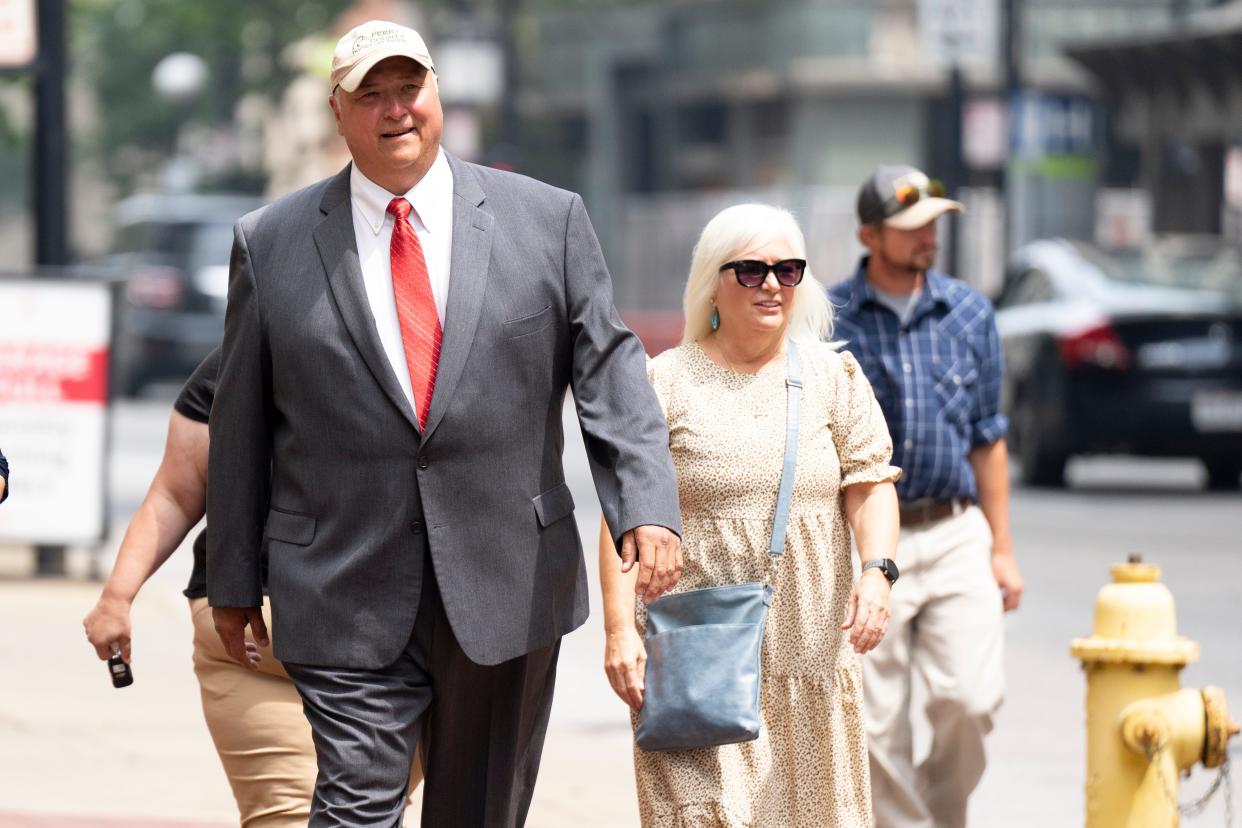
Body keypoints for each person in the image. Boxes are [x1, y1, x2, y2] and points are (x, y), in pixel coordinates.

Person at [206, 19, 683, 827]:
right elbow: (242, 420)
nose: (396, 110)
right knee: (355, 807)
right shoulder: (272, 242)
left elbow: (609, 371)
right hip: (340, 587)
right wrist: (231, 576)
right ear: (338, 112)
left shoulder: (549, 220)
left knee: (479, 813)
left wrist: (645, 505)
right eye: (372, 96)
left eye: (409, 88)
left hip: (509, 583)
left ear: (437, 95)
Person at [599, 203, 902, 826]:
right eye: (752, 270)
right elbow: (620, 515)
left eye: (788, 271)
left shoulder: (832, 376)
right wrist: (618, 631)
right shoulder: (663, 382)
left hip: (810, 654)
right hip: (696, 655)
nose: (771, 284)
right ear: (713, 280)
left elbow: (870, 484)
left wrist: (878, 572)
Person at [82, 349, 422, 827]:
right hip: (264, 635)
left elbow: (174, 494)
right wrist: (116, 597)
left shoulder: (241, 354)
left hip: (374, 638)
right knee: (346, 811)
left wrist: (117, 597)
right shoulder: (237, 361)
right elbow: (175, 493)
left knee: (340, 812)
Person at [829, 165, 1025, 828]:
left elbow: (988, 438)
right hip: (864, 541)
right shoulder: (831, 321)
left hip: (954, 532)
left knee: (969, 701)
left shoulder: (969, 313)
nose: (927, 237)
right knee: (874, 724)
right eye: (910, 226)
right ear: (869, 234)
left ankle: (941, 820)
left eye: (934, 224)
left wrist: (1002, 549)